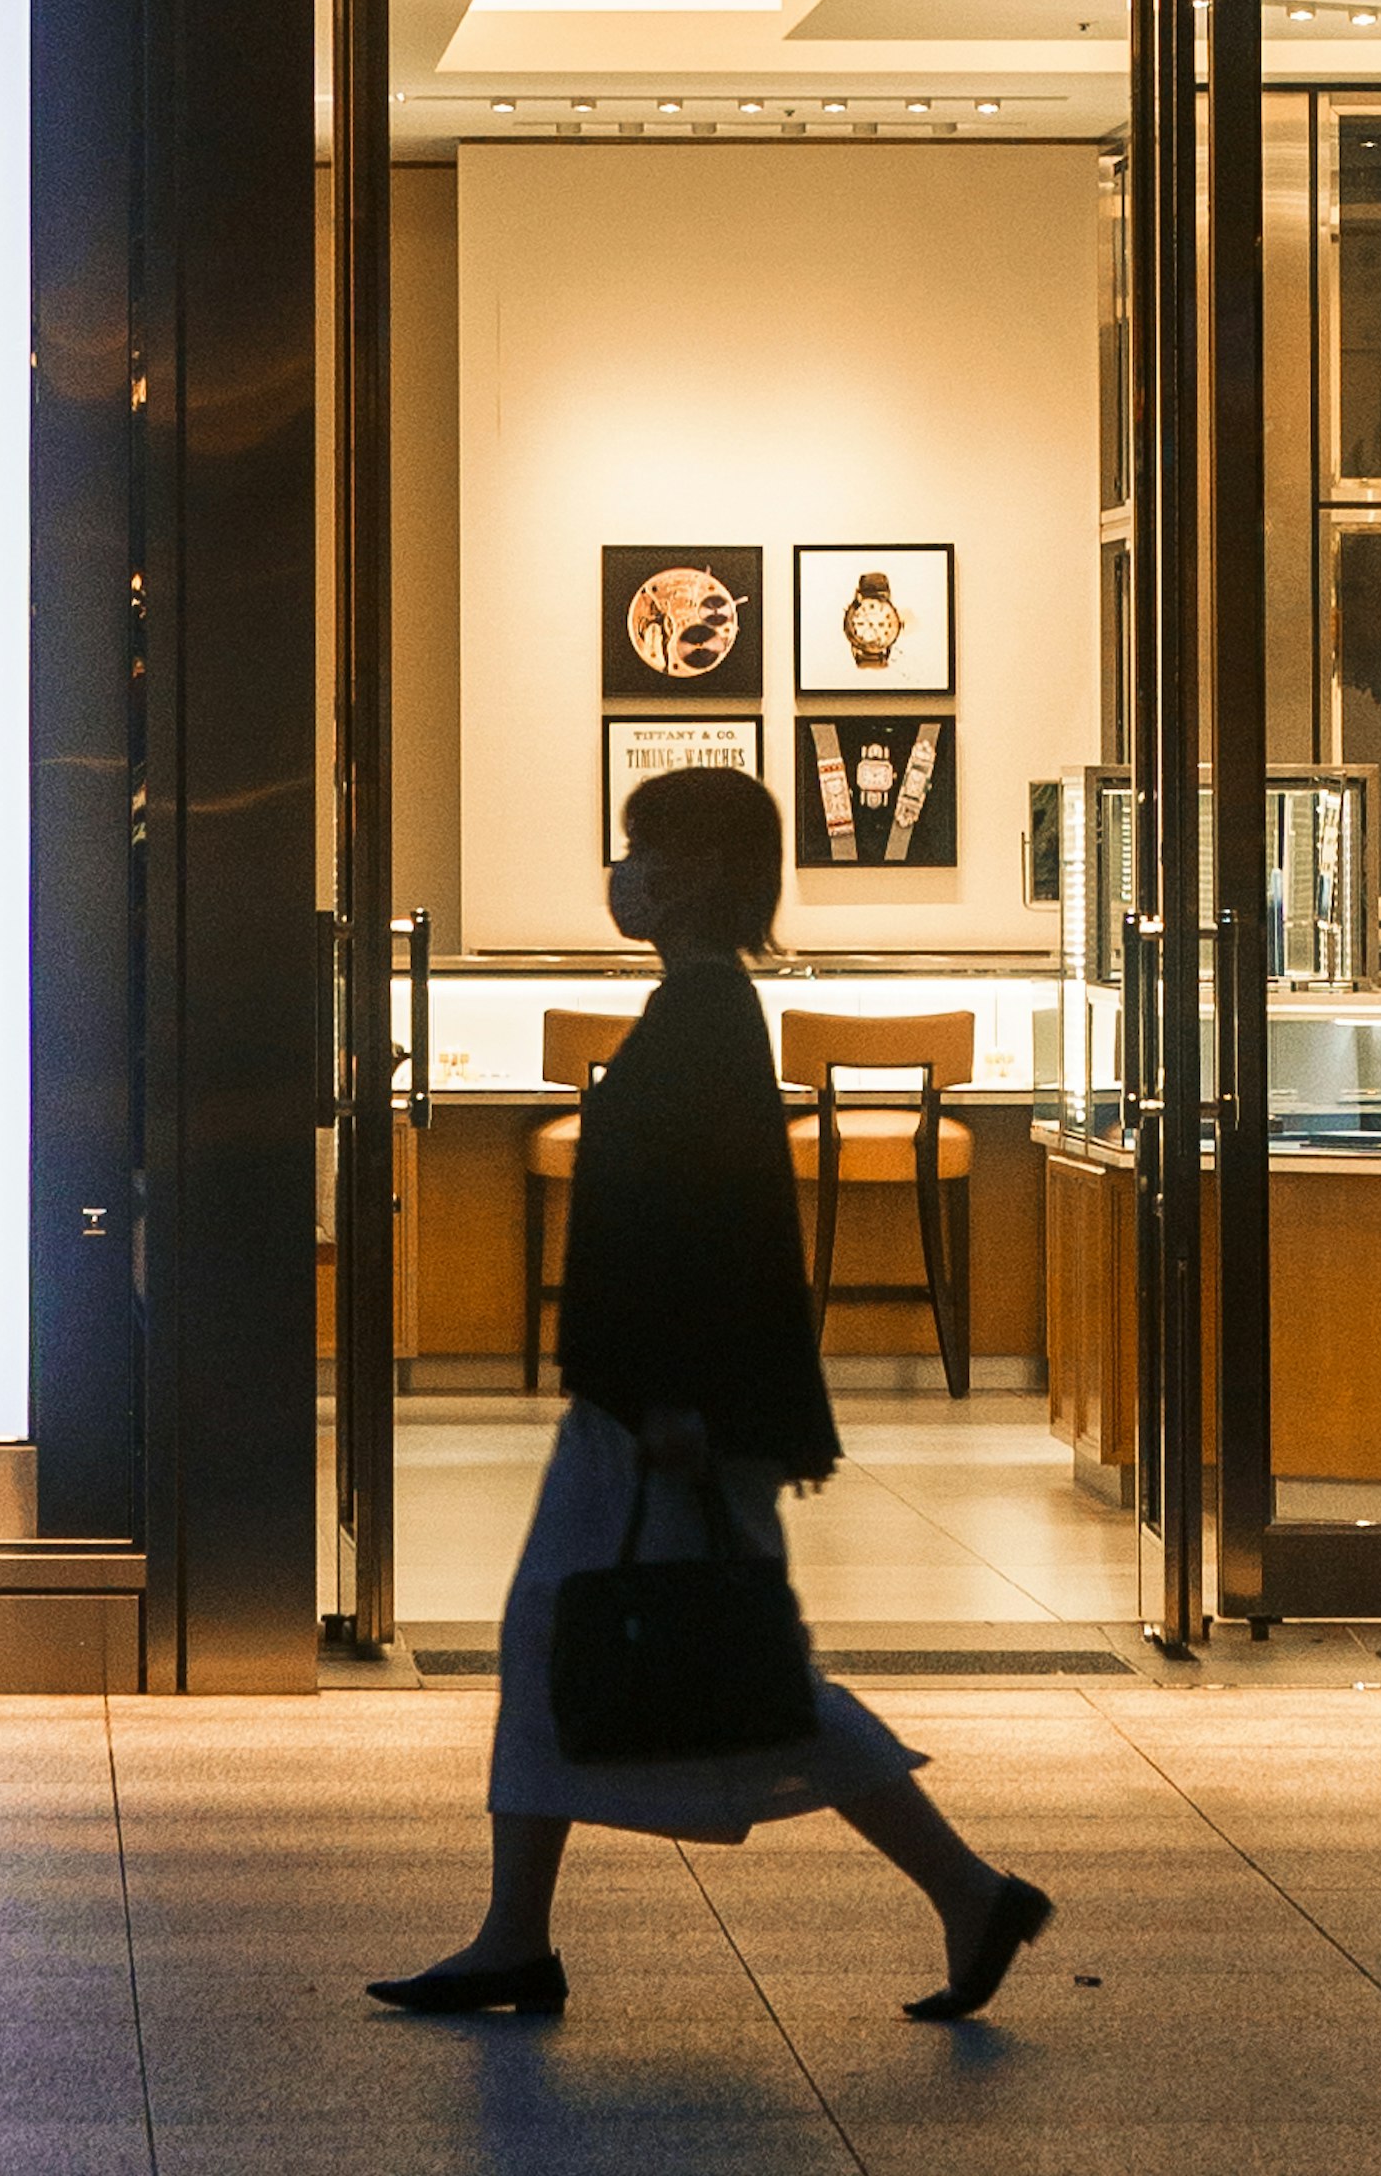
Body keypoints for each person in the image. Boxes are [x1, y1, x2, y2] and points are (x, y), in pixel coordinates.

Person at [369, 760, 1053, 2028]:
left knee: (704, 1666)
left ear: (681, 876)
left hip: (662, 1415)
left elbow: (706, 1230)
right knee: (610, 1645)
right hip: (659, 1404)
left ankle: (964, 1887)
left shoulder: (700, 1019)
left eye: (635, 852)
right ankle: (517, 1931)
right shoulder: (710, 1007)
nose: (618, 875)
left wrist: (680, 1402)